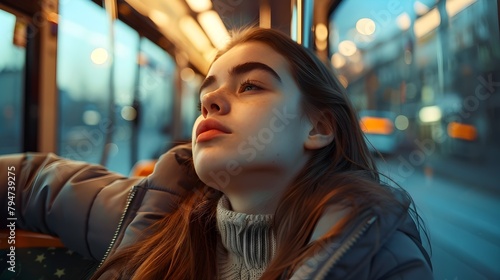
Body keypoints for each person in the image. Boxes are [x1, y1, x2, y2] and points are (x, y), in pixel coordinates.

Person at [0, 27, 433, 279]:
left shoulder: (379, 257)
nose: (211, 102)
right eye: (207, 93)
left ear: (318, 127)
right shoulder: (157, 214)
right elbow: (29, 179)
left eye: (250, 86)